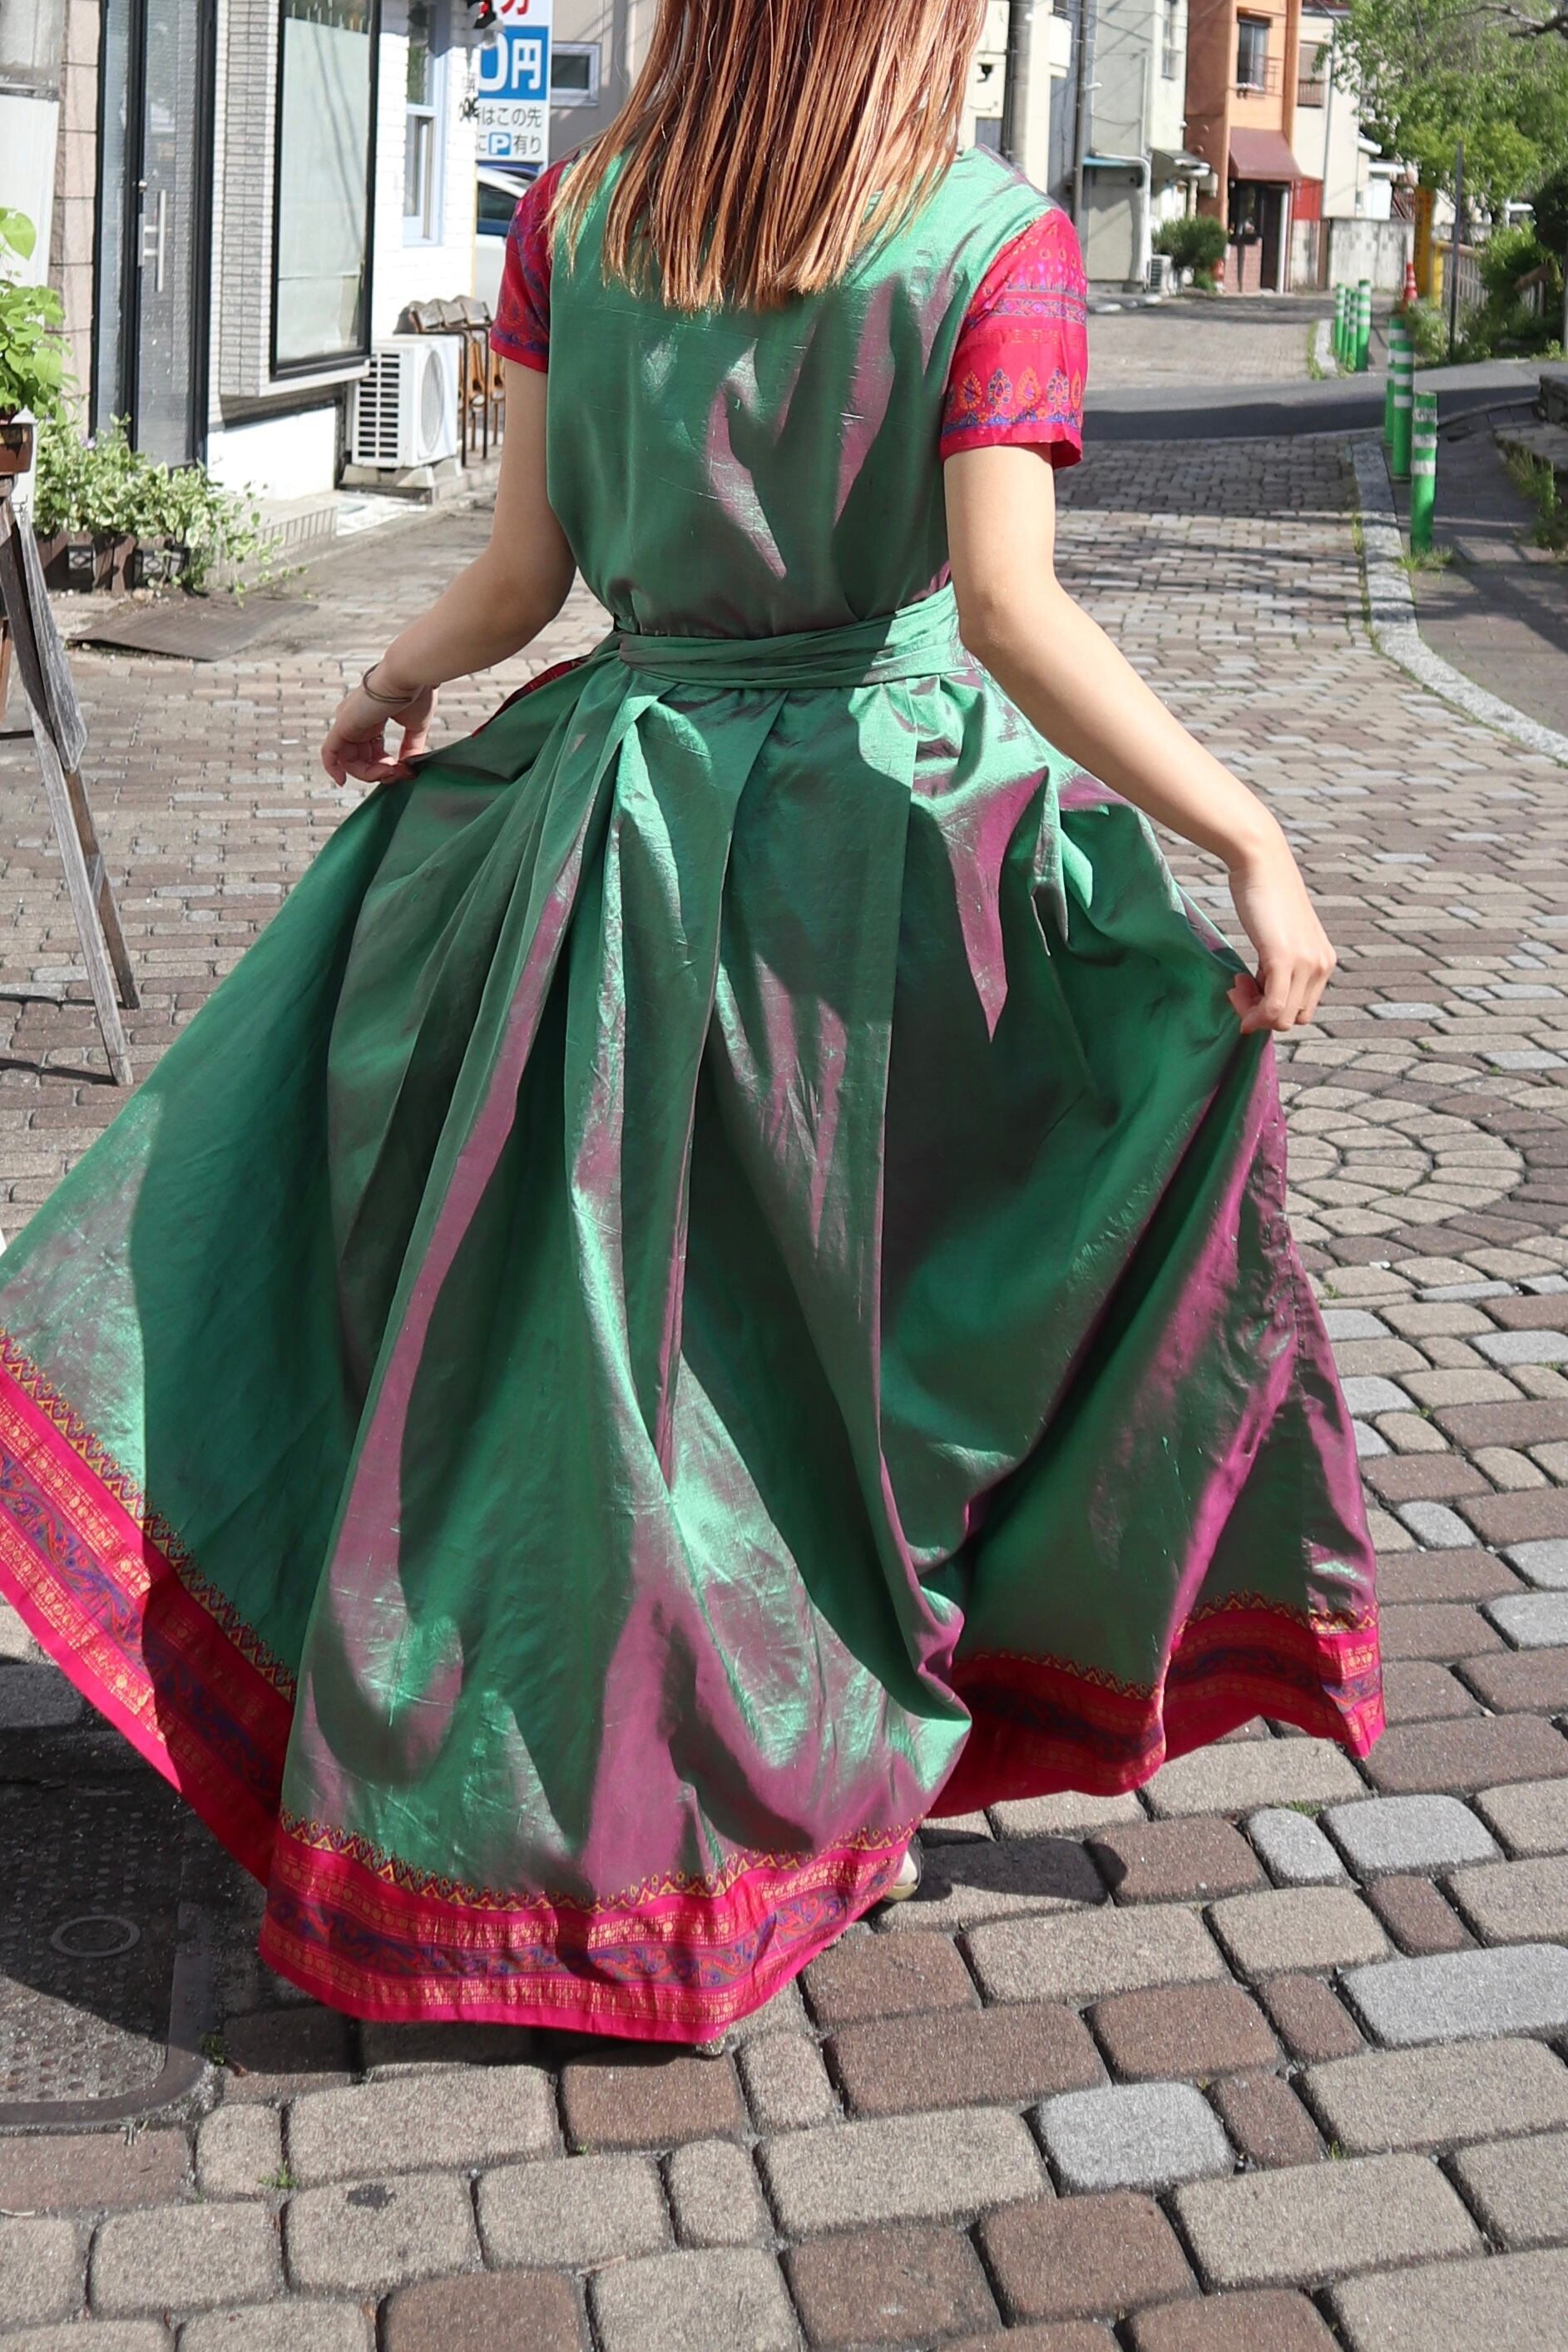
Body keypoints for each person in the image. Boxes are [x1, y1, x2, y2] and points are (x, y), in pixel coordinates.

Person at [0, 0, 1379, 2051]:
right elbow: (1009, 613)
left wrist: (391, 680)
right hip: (881, 859)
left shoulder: (577, 219)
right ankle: (818, 1750)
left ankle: (597, 1771)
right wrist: (1244, 833)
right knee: (851, 1342)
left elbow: (523, 574)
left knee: (634, 1344)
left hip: (618, 828)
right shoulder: (989, 239)